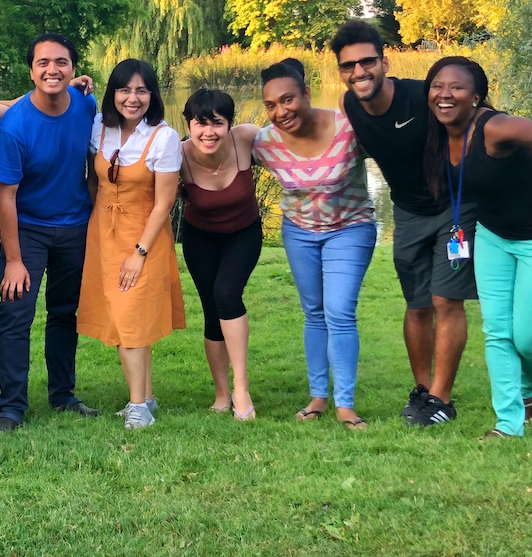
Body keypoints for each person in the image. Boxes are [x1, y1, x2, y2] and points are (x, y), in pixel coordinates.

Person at [333, 20, 476, 427]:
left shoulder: (422, 96)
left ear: (384, 61)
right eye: (349, 66)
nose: (360, 72)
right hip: (408, 213)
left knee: (446, 300)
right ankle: (423, 390)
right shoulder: (349, 104)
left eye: (368, 62)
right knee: (416, 305)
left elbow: (477, 116)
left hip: (454, 208)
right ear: (340, 72)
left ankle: (442, 401)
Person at [252, 58, 376, 429]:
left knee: (339, 310)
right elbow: (219, 147)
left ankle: (346, 405)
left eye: (287, 100)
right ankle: (318, 397)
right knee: (315, 313)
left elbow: (396, 146)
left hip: (350, 228)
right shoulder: (265, 143)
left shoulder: (348, 128)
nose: (280, 111)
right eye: (271, 105)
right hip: (299, 232)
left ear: (306, 93)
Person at [0, 33, 100, 431]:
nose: (51, 69)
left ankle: (63, 394)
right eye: (43, 63)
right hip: (29, 231)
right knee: (16, 315)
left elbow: (94, 160)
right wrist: (15, 260)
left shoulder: (86, 105)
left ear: (73, 68)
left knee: (64, 313)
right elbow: (6, 197)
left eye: (61, 62)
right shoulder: (15, 126)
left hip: (75, 227)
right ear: (31, 70)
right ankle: (12, 407)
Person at [423, 57, 532, 439]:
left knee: (527, 335)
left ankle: (529, 392)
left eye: (456, 87)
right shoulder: (442, 131)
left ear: (477, 97)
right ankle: (509, 424)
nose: (445, 94)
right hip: (491, 236)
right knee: (498, 332)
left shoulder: (496, 127)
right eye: (437, 86)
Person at [77, 59, 184, 429]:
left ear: (151, 95)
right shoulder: (100, 129)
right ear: (113, 94)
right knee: (126, 316)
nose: (132, 98)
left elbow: (165, 203)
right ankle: (147, 396)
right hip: (103, 234)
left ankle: (137, 406)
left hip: (143, 237)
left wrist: (140, 253)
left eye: (141, 90)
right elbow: (95, 180)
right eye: (124, 89)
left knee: (129, 316)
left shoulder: (164, 137)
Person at [178, 88, 262, 420]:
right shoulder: (178, 154)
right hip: (200, 238)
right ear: (188, 125)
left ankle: (241, 389)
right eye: (200, 124)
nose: (208, 132)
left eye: (217, 123)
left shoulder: (247, 139)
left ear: (230, 125)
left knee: (227, 294)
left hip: (244, 232)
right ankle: (221, 393)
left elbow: (291, 145)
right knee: (212, 309)